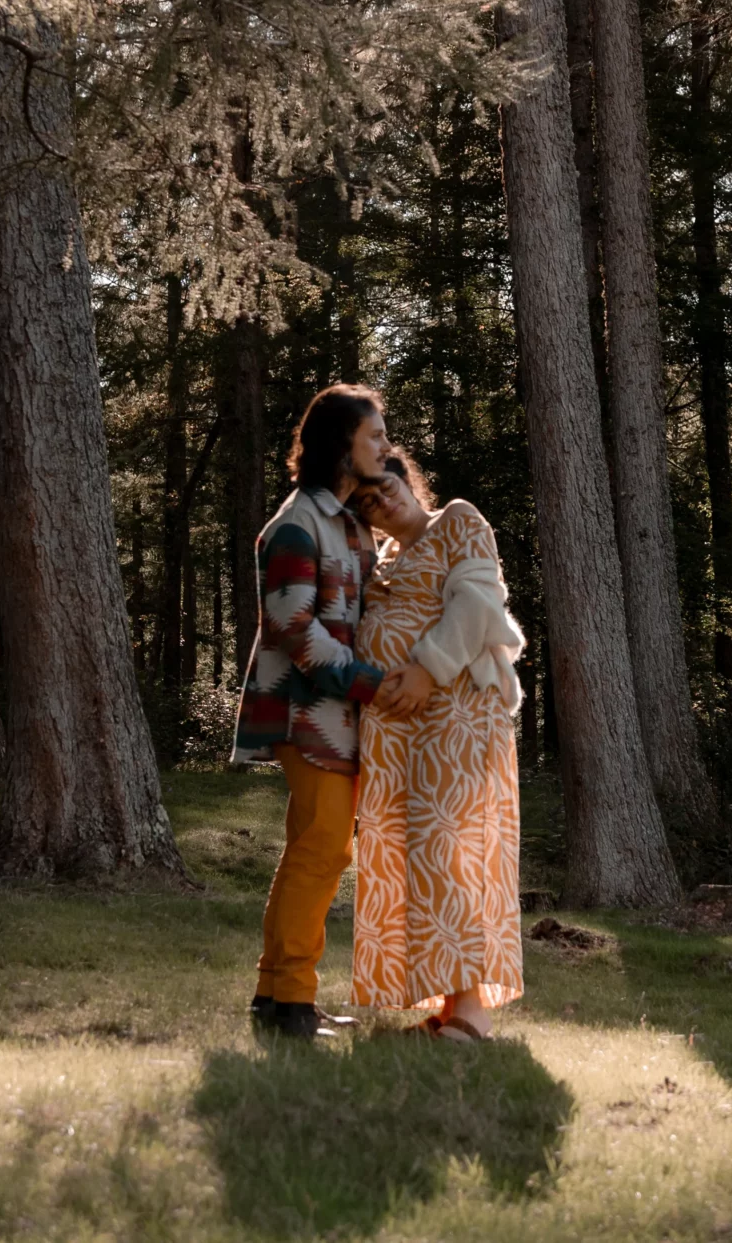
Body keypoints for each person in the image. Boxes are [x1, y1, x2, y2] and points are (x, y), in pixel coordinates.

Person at [231, 383, 394, 1040]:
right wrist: (372, 682)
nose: (386, 446)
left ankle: (276, 996)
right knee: (323, 849)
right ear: (341, 444)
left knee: (312, 849)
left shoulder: (346, 521)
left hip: (336, 717)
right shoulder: (298, 524)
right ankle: (293, 1001)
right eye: (375, 435)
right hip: (308, 713)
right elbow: (296, 630)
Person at [348, 449, 526, 1041]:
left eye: (387, 482)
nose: (383, 498)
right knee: (420, 859)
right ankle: (450, 1006)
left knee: (455, 851)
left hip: (458, 718)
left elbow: (478, 603)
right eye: (367, 499)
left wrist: (427, 668)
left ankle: (472, 1013)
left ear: (407, 476)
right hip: (403, 737)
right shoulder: (382, 562)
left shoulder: (457, 521)